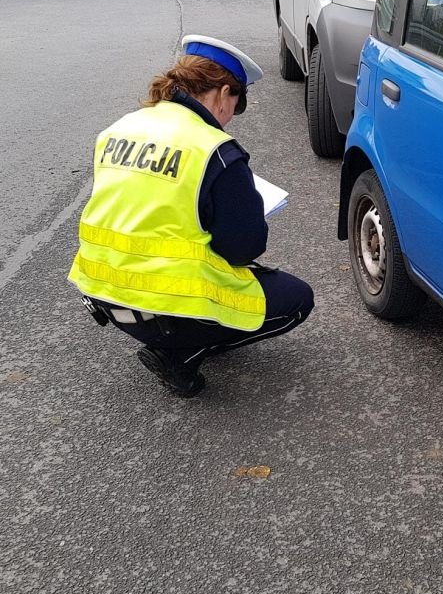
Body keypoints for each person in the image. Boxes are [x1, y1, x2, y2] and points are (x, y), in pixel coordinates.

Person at [68, 36, 314, 397]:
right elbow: (243, 248)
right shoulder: (216, 151)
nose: (232, 116)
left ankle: (180, 333)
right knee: (296, 299)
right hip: (163, 306)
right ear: (223, 92)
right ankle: (184, 351)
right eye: (237, 104)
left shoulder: (120, 127)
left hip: (102, 292)